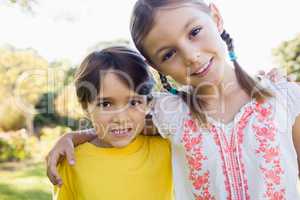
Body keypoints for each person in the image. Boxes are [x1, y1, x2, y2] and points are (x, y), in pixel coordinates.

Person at [48, 1, 300, 199]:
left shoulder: (286, 99)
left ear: (216, 17)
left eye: (194, 32)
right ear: (155, 65)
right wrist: (71, 137)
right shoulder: (170, 114)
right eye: (168, 54)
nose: (190, 56)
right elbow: (120, 124)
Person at [52, 46, 173, 200]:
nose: (121, 118)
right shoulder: (71, 162)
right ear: (85, 107)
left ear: (148, 103)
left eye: (134, 102)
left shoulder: (168, 146)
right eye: (106, 104)